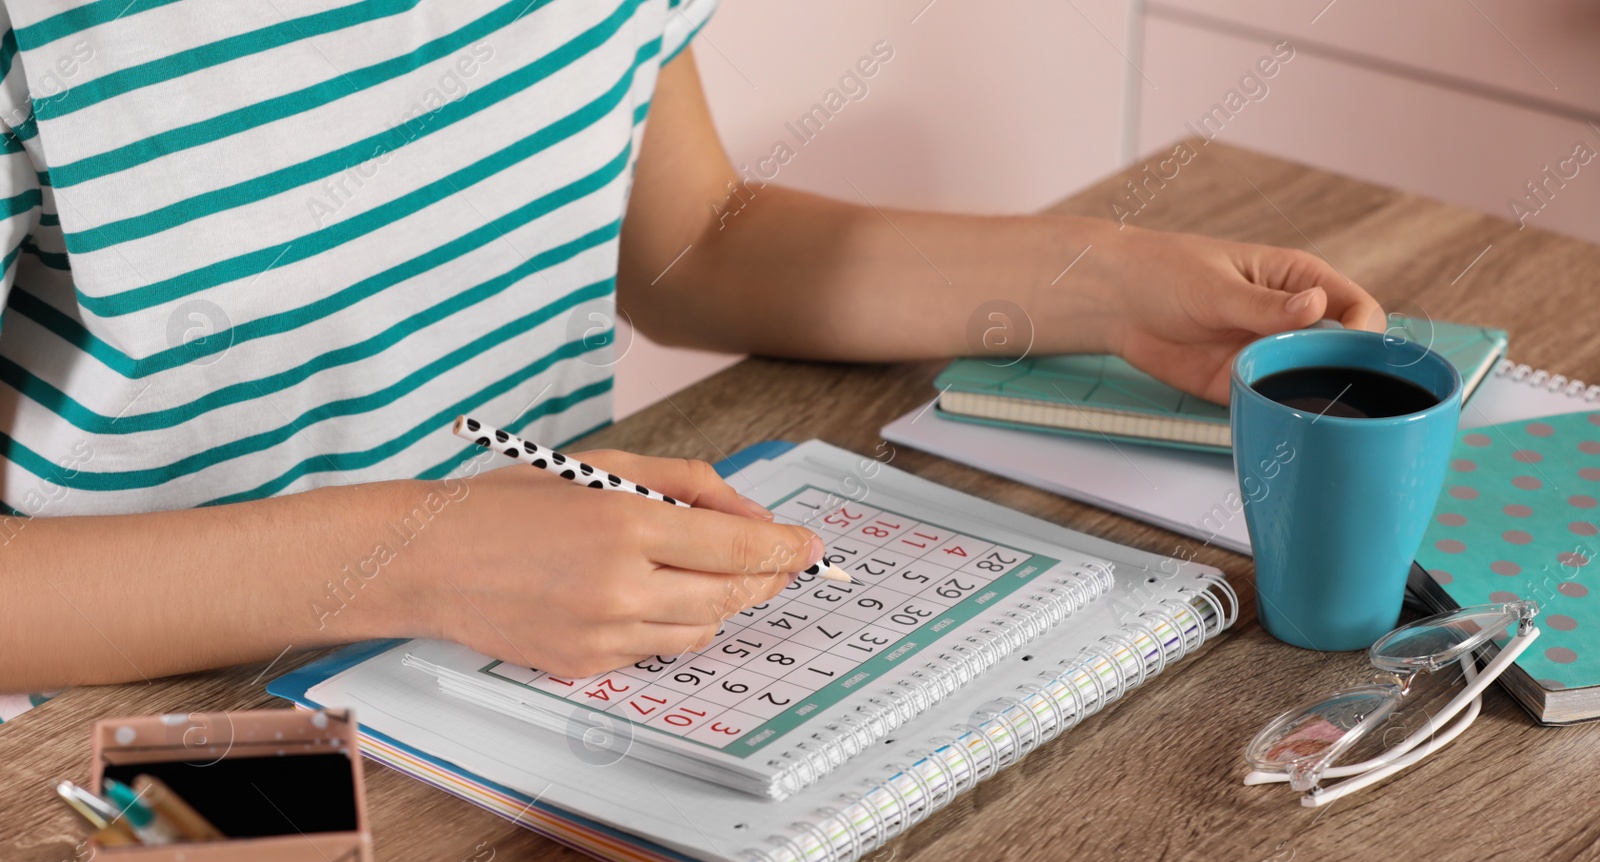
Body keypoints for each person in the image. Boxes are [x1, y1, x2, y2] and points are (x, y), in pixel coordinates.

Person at [0, 1, 1381, 694]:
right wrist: (423, 555)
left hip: (527, 662)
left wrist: (1099, 284)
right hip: (145, 738)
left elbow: (696, 245)